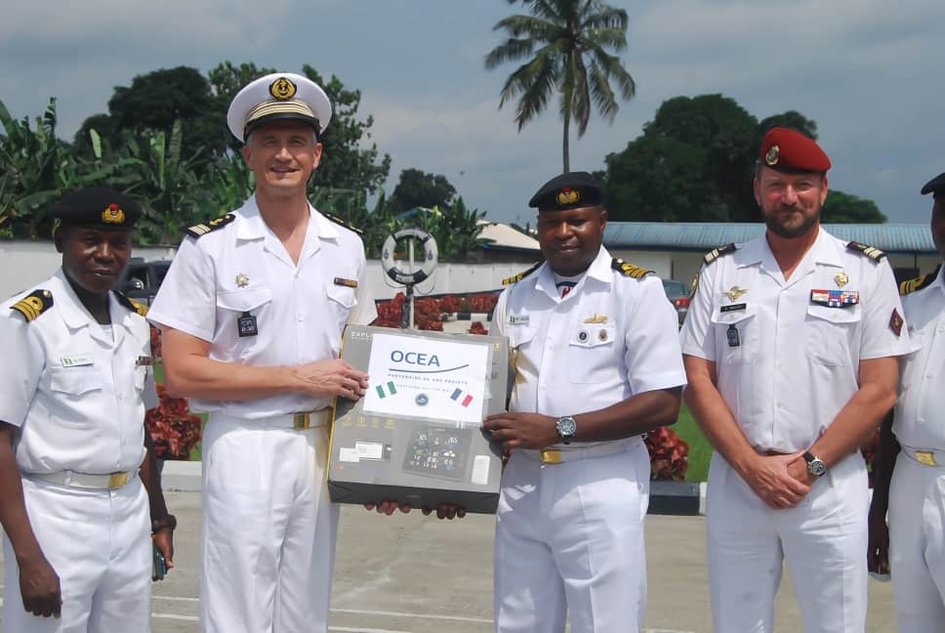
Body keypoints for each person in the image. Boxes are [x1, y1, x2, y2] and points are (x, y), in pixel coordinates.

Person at [146, 72, 375, 633]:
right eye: (269, 142)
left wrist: (381, 465)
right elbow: (180, 371)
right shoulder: (211, 246)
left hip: (320, 449)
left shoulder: (346, 244)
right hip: (246, 442)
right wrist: (298, 377)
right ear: (247, 155)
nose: (283, 155)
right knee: (239, 607)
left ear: (317, 155)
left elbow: (364, 357)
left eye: (297, 142)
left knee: (305, 610)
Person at [680, 127, 915, 632]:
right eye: (777, 184)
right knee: (737, 624)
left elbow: (880, 388)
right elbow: (697, 379)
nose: (789, 197)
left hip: (828, 488)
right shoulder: (723, 271)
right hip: (740, 485)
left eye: (803, 184)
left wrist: (808, 466)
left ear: (824, 190)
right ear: (757, 189)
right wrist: (750, 467)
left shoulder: (865, 272)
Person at [482, 171, 686, 633]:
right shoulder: (515, 295)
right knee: (518, 623)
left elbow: (663, 402)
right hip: (524, 485)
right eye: (552, 222)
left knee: (606, 624)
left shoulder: (635, 292)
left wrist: (560, 428)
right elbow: (488, 393)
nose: (563, 233)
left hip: (599, 481)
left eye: (576, 221)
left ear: (602, 222)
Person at [0, 186, 176, 632]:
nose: (105, 254)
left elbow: (141, 433)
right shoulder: (25, 321)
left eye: (118, 243)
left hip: (127, 513)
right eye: (90, 240)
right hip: (56, 513)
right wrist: (27, 557)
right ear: (61, 241)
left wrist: (158, 517)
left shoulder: (133, 321)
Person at [867, 171, 945, 632]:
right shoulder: (912, 304)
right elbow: (890, 413)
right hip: (911, 484)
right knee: (915, 621)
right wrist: (879, 511)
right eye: (941, 212)